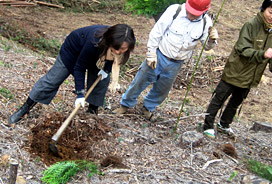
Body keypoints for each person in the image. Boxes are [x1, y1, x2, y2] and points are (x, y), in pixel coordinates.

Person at [8, 24, 136, 125]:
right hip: (73, 52)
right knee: (52, 80)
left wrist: (106, 70)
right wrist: (80, 93)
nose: (119, 52)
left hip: (97, 57)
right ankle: (25, 108)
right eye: (116, 48)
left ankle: (92, 111)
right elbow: (79, 67)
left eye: (123, 49)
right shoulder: (94, 41)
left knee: (101, 81)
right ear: (109, 41)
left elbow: (112, 57)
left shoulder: (121, 45)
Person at [113, 0, 218, 120]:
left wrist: (211, 40)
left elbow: (207, 47)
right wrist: (151, 53)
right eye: (190, 12)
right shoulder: (175, 11)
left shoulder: (206, 23)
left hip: (177, 62)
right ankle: (125, 105)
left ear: (204, 11)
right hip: (160, 54)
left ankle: (148, 107)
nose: (192, 16)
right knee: (140, 80)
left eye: (196, 14)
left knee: (162, 89)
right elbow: (157, 31)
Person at [203, 0, 272, 139]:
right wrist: (262, 54)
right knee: (219, 98)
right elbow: (243, 49)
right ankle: (207, 125)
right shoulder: (251, 25)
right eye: (271, 12)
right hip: (236, 71)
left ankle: (224, 124)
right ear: (263, 9)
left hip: (251, 76)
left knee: (236, 102)